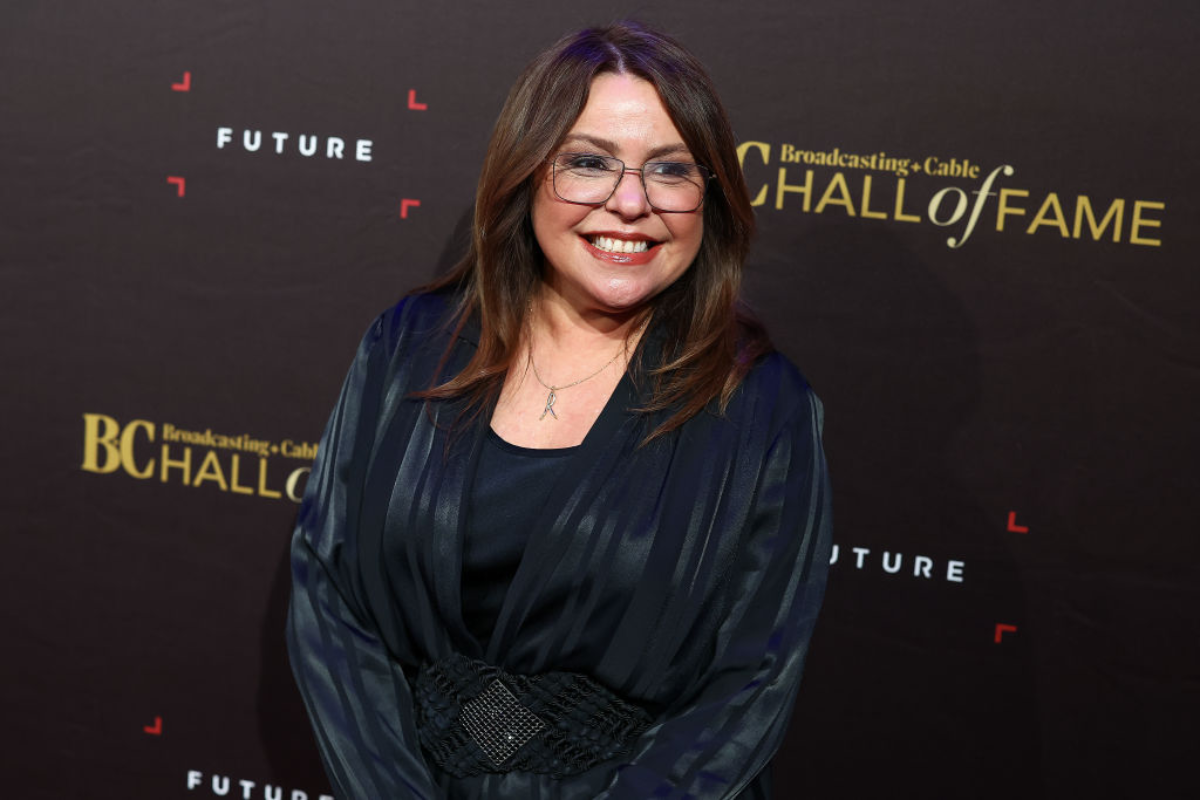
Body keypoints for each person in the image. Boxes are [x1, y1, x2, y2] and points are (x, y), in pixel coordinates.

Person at [287, 21, 832, 800]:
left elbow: (750, 682)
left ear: (709, 197)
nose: (631, 203)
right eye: (589, 162)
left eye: (670, 169)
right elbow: (331, 600)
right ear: (527, 172)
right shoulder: (408, 347)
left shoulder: (763, 410)